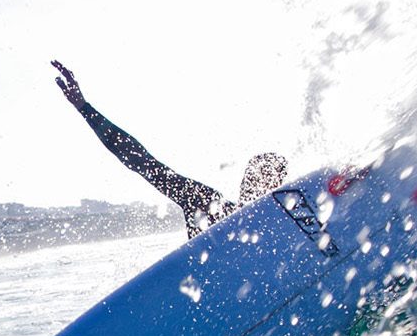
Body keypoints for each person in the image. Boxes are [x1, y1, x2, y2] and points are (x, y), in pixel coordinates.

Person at [53, 60, 286, 239]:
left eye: (272, 180)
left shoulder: (290, 229)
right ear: (245, 184)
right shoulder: (209, 205)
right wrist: (85, 108)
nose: (261, 186)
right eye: (256, 176)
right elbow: (142, 162)